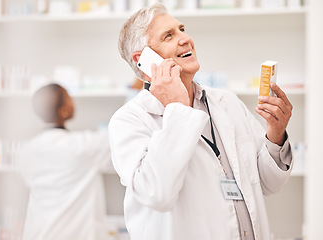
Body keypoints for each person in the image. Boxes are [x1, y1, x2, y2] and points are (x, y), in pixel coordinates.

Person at [108, 3, 293, 240]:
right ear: (143, 60)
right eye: (169, 35)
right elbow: (157, 194)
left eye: (182, 29)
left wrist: (276, 134)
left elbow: (268, 184)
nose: (186, 38)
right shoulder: (129, 121)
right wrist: (176, 108)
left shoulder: (226, 102)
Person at [18, 83, 110, 240]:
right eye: (69, 98)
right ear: (62, 111)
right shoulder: (83, 145)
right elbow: (119, 139)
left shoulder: (27, 150)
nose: (73, 102)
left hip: (38, 233)